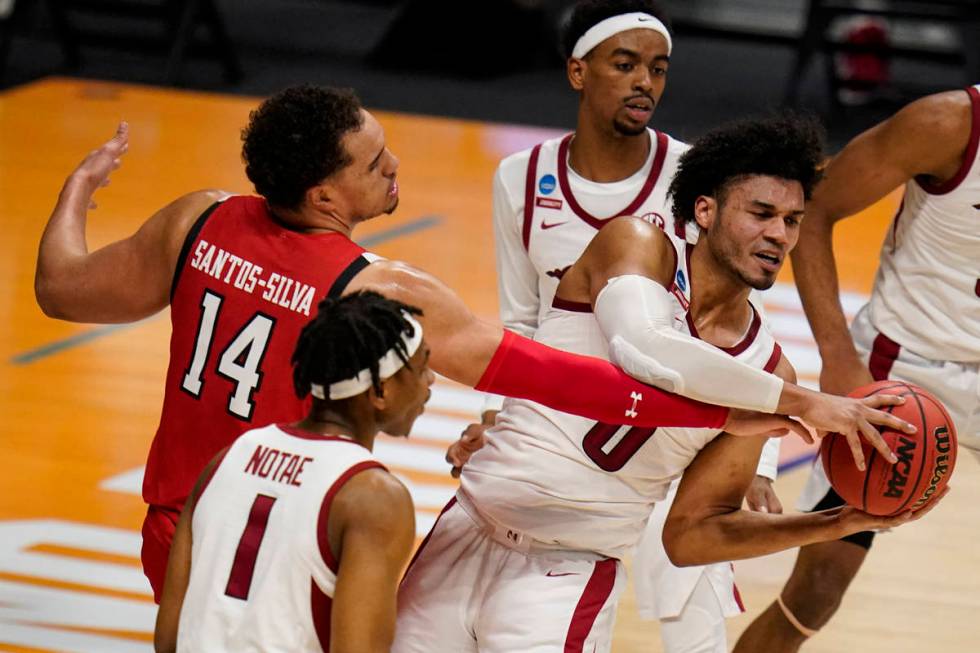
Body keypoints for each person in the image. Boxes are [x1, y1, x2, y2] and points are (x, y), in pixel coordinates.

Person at [35, 85, 828, 601]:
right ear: (324, 195)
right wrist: (730, 407)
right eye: (374, 163)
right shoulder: (379, 287)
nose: (395, 165)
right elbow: (549, 375)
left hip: (179, 523)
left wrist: (75, 193)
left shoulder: (197, 218)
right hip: (293, 530)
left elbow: (61, 288)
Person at [395, 114, 933, 653]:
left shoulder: (766, 369)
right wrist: (807, 403)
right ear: (705, 209)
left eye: (792, 220)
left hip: (563, 576)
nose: (779, 234)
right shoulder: (636, 245)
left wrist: (836, 521)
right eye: (761, 213)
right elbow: (646, 348)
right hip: (464, 527)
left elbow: (692, 535)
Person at [449, 2, 783, 650]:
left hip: (667, 431)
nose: (645, 84)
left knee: (696, 610)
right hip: (564, 435)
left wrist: (759, 456)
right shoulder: (519, 178)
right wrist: (501, 418)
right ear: (578, 71)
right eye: (625, 65)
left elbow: (736, 314)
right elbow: (521, 320)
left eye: (657, 69)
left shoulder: (694, 179)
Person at [733, 84, 980, 653]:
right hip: (905, 371)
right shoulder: (946, 124)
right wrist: (839, 357)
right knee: (816, 592)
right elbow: (815, 210)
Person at [153, 290, 430, 653]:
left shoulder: (227, 459)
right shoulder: (373, 497)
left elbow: (170, 637)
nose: (431, 383)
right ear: (380, 390)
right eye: (423, 368)